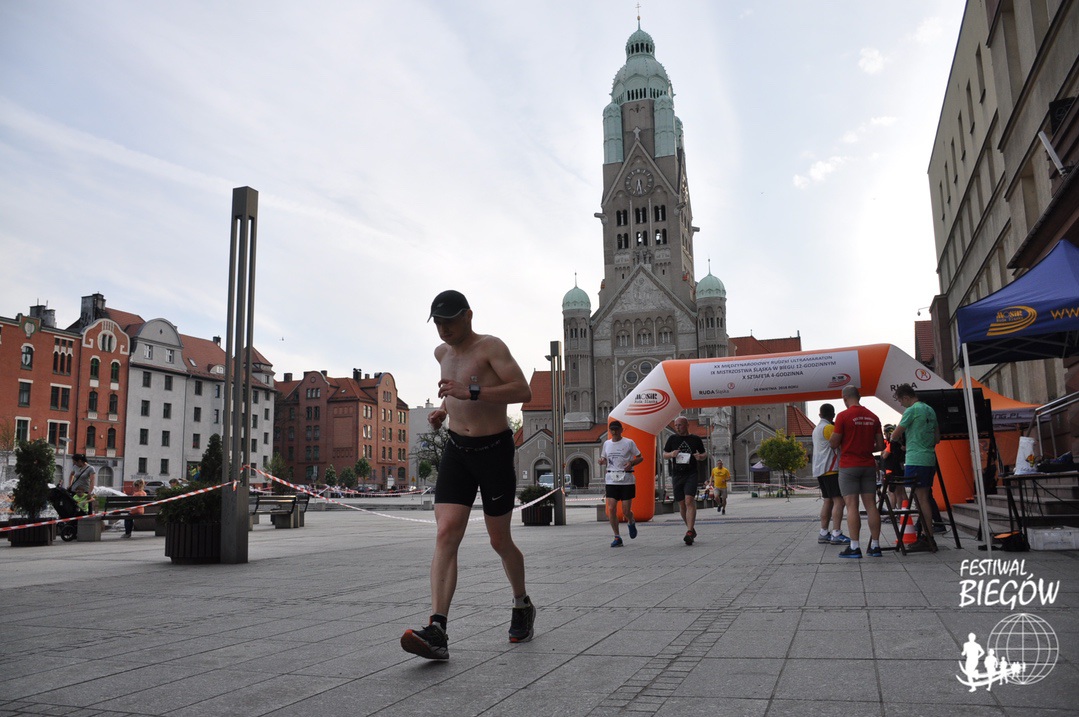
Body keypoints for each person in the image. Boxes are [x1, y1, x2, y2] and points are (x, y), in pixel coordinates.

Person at [400, 290, 535, 661]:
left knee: (499, 540)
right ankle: (437, 629)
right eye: (438, 323)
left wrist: (470, 391)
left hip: (494, 451)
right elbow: (454, 389)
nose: (443, 330)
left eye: (450, 321)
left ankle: (522, 603)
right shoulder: (441, 354)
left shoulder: (491, 347)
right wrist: (445, 409)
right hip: (457, 450)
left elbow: (522, 390)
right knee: (446, 532)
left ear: (468, 316)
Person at [829, 386, 885, 558]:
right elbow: (881, 446)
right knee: (871, 505)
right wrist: (865, 447)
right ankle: (875, 546)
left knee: (852, 505)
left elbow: (833, 443)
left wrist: (846, 444)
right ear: (859, 397)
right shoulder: (873, 417)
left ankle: (854, 547)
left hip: (849, 465)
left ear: (844, 398)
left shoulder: (843, 416)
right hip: (868, 464)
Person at [889, 384, 941, 552]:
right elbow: (937, 438)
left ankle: (928, 537)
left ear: (906, 397)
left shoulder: (911, 411)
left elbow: (895, 434)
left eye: (900, 401)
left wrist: (901, 440)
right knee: (924, 497)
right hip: (929, 458)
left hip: (915, 459)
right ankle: (927, 536)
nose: (901, 404)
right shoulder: (930, 410)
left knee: (920, 499)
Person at [662, 416, 708, 545]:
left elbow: (704, 454)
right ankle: (691, 529)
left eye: (680, 425)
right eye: (676, 425)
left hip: (691, 473)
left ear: (687, 425)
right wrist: (671, 454)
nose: (677, 428)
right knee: (681, 504)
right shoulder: (672, 439)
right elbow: (664, 454)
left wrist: (700, 457)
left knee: (689, 500)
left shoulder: (695, 439)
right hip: (677, 474)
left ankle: (689, 532)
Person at [598, 420, 643, 547]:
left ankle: (631, 520)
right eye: (612, 429)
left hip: (626, 479)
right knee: (611, 508)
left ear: (621, 430)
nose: (614, 432)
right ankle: (617, 537)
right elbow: (604, 458)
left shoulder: (629, 442)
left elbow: (640, 457)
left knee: (625, 511)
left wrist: (631, 463)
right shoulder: (607, 444)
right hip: (611, 478)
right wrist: (602, 461)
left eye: (616, 429)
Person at [812, 403, 848, 545]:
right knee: (839, 501)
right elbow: (840, 445)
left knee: (828, 500)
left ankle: (823, 532)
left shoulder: (816, 429)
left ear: (820, 414)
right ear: (833, 415)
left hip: (820, 470)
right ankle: (836, 533)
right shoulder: (829, 428)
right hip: (831, 469)